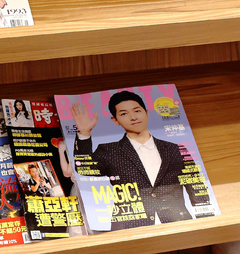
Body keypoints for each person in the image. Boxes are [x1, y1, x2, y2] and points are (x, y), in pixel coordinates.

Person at [71, 90, 212, 229]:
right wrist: (84, 133)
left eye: (137, 111)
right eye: (124, 114)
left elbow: (196, 187)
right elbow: (84, 168)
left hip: (177, 224)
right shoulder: (109, 150)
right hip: (129, 228)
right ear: (115, 120)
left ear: (147, 113)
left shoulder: (176, 149)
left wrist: (206, 222)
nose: (133, 117)